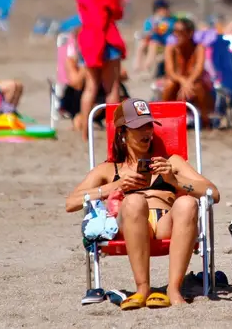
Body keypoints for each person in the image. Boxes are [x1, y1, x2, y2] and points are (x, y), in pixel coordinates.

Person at [65, 98, 221, 308]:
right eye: (138, 127)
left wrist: (174, 180)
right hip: (132, 225)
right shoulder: (109, 170)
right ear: (122, 132)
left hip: (166, 223)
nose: (146, 132)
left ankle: (173, 289)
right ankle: (142, 288)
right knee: (135, 201)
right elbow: (71, 203)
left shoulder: (171, 162)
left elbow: (213, 193)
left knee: (187, 203)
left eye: (149, 125)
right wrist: (115, 186)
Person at [75, 0, 126, 141]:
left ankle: (85, 133)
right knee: (111, 89)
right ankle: (113, 134)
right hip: (107, 38)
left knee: (90, 87)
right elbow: (118, 12)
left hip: (88, 38)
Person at [60, 37, 130, 131]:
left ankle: (106, 124)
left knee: (118, 96)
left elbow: (124, 75)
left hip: (102, 93)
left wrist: (105, 72)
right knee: (78, 122)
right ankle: (86, 126)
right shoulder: (71, 61)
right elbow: (76, 84)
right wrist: (86, 66)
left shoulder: (107, 57)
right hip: (78, 97)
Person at [161, 18, 215, 128]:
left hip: (194, 86)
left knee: (197, 86)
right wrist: (184, 81)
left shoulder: (199, 48)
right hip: (178, 86)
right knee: (170, 84)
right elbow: (170, 71)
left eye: (180, 31)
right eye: (174, 31)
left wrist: (188, 82)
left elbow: (199, 70)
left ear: (190, 33)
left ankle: (205, 121)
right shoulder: (171, 48)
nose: (176, 34)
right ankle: (164, 119)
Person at [133, 0, 176, 74]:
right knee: (142, 43)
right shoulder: (151, 20)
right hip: (153, 41)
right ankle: (137, 64)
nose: (164, 11)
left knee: (153, 44)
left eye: (165, 9)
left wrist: (159, 29)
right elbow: (147, 33)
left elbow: (169, 30)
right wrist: (152, 31)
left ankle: (146, 66)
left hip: (164, 43)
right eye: (162, 9)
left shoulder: (171, 20)